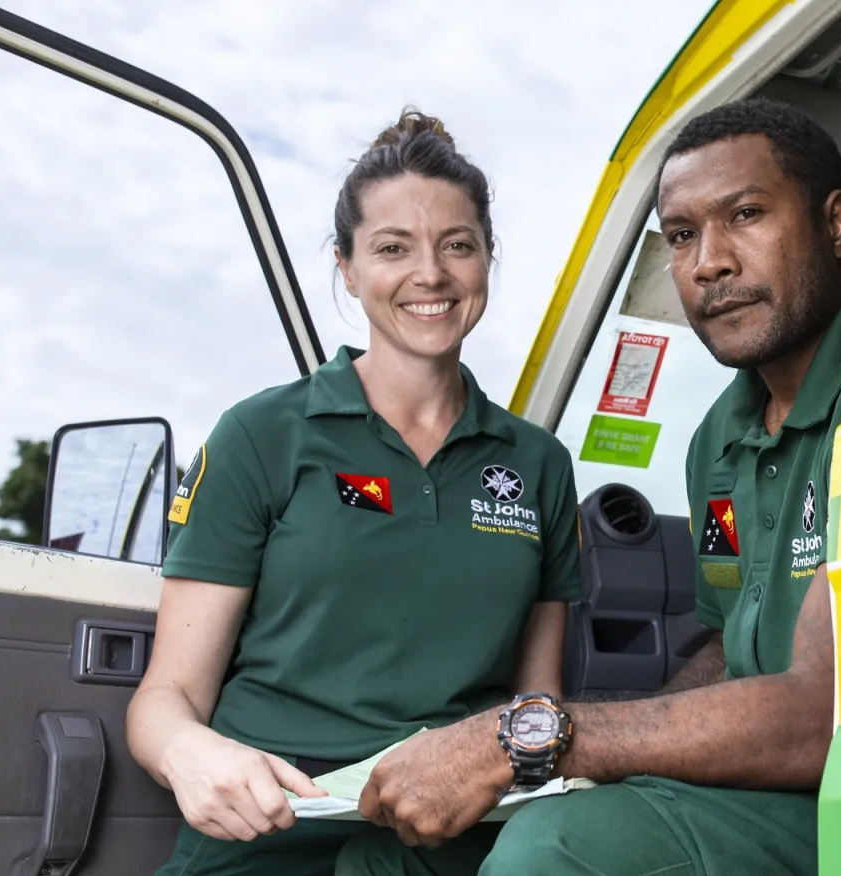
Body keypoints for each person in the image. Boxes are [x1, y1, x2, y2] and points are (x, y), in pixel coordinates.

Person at [335, 96, 841, 876]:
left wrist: (531, 738)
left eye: (745, 215)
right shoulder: (718, 437)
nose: (709, 261)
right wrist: (626, 744)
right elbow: (726, 642)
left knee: (551, 851)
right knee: (382, 859)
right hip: (764, 783)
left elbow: (828, 710)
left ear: (838, 223)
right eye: (682, 236)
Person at [128, 109, 584, 876]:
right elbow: (163, 699)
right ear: (346, 267)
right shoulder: (260, 436)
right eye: (392, 249)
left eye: (457, 246)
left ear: (486, 260)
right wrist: (190, 754)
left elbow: (536, 712)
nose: (430, 274)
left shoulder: (538, 464)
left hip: (448, 833)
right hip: (271, 823)